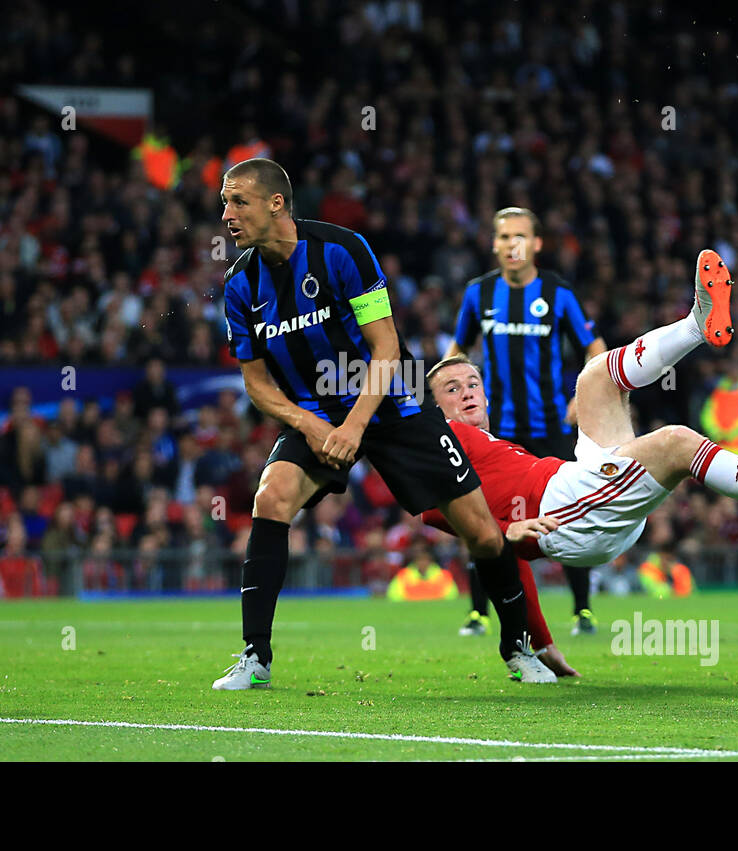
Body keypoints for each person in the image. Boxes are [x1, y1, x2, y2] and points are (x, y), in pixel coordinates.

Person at [213, 158, 555, 689]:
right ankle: (255, 657)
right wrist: (310, 424)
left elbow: (386, 347)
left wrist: (353, 427)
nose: (227, 214)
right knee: (271, 497)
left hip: (393, 402)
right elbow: (256, 383)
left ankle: (517, 648)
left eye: (239, 202)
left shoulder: (342, 250)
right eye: (224, 203)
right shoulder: (239, 285)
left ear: (276, 203)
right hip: (318, 411)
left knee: (484, 534)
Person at [423, 250, 738, 588]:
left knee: (593, 379)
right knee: (676, 442)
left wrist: (535, 647)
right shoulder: (440, 442)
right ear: (434, 408)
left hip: (573, 489)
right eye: (452, 388)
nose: (467, 392)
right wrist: (506, 533)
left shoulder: (484, 444)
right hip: (564, 517)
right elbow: (430, 508)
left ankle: (695, 325)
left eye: (472, 382)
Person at [447, 207, 606, 638]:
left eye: (520, 236)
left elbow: (595, 349)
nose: (511, 244)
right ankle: (479, 612)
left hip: (550, 426)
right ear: (494, 244)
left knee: (570, 513)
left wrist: (581, 399)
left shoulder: (558, 292)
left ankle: (582, 610)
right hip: (496, 432)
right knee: (481, 515)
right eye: (503, 237)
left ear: (536, 244)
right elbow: (457, 350)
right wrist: (448, 399)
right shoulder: (478, 294)